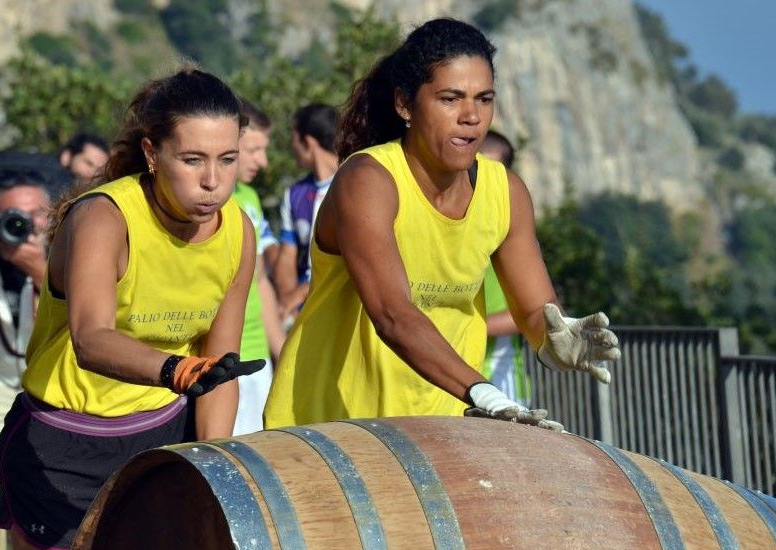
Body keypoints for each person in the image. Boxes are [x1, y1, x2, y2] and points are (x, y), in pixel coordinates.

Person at [264, 18, 620, 430]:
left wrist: (558, 338)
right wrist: (483, 392)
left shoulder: (506, 191)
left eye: (484, 99)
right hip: (331, 429)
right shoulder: (367, 180)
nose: (471, 116)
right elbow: (393, 314)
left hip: (447, 428)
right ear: (404, 104)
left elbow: (535, 310)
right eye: (451, 98)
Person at [0, 67, 264, 550]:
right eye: (193, 159)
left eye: (227, 160)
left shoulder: (238, 231)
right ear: (152, 155)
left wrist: (210, 463)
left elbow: (220, 367)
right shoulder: (103, 217)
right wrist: (176, 370)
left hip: (161, 435)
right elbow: (90, 339)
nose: (212, 181)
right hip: (61, 442)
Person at [0, 153, 63, 455]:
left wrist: (41, 272)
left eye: (35, 213)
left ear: (52, 216)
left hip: (53, 397)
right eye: (12, 215)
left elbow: (83, 325)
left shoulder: (68, 260)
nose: (24, 223)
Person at [231, 99, 285, 435]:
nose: (263, 162)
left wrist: (281, 351)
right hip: (222, 361)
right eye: (253, 150)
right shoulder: (207, 203)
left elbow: (260, 280)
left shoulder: (249, 199)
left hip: (257, 356)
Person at [478, 130, 531, 405]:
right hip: (450, 377)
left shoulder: (507, 230)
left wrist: (470, 326)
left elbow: (544, 310)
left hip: (500, 378)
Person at [274, 103, 339, 322]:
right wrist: (287, 302)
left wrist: (300, 292)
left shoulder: (353, 183)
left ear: (308, 142)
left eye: (294, 139)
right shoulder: (294, 194)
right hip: (304, 311)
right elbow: (287, 255)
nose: (292, 147)